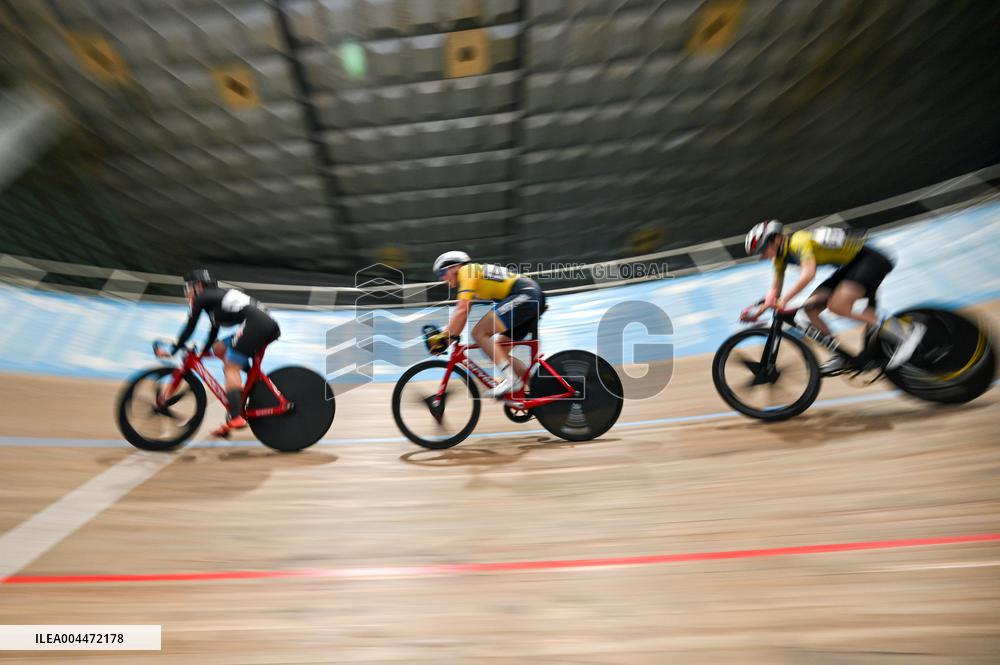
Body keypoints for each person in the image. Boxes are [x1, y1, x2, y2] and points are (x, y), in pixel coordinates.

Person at [744, 220, 925, 374]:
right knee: (810, 309)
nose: (761, 256)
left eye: (762, 249)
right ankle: (840, 355)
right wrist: (758, 311)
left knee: (839, 306)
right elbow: (774, 290)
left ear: (775, 239)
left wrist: (784, 301)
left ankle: (907, 333)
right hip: (849, 267)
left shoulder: (798, 241)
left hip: (869, 260)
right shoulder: (780, 258)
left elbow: (809, 274)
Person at [155, 269, 281, 437]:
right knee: (219, 348)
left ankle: (236, 416)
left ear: (199, 286)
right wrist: (203, 351)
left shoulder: (203, 297)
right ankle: (253, 381)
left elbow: (190, 326)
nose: (188, 292)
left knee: (231, 367)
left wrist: (174, 349)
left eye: (190, 287)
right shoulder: (214, 300)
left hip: (257, 324)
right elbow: (213, 332)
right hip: (263, 324)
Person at [428, 251, 546, 397]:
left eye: (442, 272)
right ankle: (540, 392)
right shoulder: (472, 276)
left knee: (479, 333)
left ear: (455, 267)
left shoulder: (466, 272)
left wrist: (445, 338)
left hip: (525, 294)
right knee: (501, 352)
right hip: (528, 295)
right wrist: (447, 338)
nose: (442, 278)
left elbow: (461, 310)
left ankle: (510, 380)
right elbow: (461, 316)